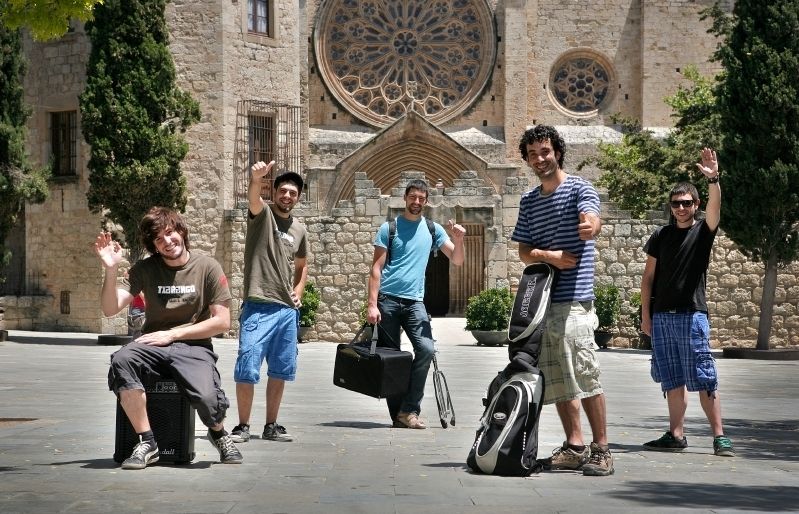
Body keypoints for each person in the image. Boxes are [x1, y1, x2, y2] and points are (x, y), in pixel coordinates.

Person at [95, 207, 243, 470]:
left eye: (169, 233)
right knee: (122, 360)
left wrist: (173, 334)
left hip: (193, 346)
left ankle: (219, 432)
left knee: (209, 400)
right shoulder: (146, 268)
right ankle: (147, 442)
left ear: (181, 232)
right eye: (158, 240)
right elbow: (110, 308)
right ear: (153, 245)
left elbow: (222, 321)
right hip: (153, 344)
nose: (167, 242)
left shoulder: (207, 266)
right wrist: (110, 270)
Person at [511, 125, 613, 476]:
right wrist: (549, 254)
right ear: (526, 159)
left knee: (585, 374)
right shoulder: (528, 201)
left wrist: (591, 226)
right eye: (533, 154)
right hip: (543, 303)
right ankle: (574, 446)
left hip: (575, 300)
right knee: (557, 378)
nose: (540, 159)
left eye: (545, 151)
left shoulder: (579, 188)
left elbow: (592, 216)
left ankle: (602, 449)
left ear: (557, 151)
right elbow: (524, 250)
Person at [640, 148, 734, 457]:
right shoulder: (661, 235)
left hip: (693, 314)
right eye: (676, 203)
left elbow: (716, 209)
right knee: (671, 376)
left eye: (686, 203)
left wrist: (713, 179)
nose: (681, 208)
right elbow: (648, 279)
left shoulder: (703, 232)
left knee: (704, 374)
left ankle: (719, 437)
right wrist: (646, 316)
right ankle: (676, 434)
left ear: (695, 205)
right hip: (663, 316)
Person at [366, 179, 465, 429]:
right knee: (392, 358)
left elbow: (457, 259)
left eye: (422, 198)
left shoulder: (433, 229)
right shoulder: (390, 228)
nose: (417, 202)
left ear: (427, 201)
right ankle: (400, 415)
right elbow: (376, 268)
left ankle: (409, 408)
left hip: (415, 303)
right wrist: (372, 304)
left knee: (426, 349)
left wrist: (459, 239)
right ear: (405, 199)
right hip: (387, 299)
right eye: (413, 197)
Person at [229, 161, 308, 444]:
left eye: (293, 193)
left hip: (287, 310)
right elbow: (253, 198)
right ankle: (242, 426)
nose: (287, 196)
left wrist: (299, 288)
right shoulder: (261, 215)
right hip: (258, 304)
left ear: (298, 197)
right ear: (273, 192)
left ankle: (271, 425)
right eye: (282, 190)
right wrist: (255, 179)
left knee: (280, 370)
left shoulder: (299, 229)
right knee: (247, 366)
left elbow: (302, 263)